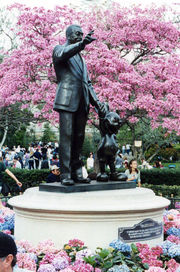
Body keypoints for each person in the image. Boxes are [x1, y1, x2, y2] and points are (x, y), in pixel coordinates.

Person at [52, 24, 105, 185]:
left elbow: (87, 83)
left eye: (82, 34)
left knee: (79, 138)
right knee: (66, 137)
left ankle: (77, 172)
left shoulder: (82, 60)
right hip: (66, 100)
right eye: (78, 34)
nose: (81, 36)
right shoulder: (59, 49)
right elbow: (62, 55)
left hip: (83, 102)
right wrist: (81, 45)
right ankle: (66, 174)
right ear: (68, 35)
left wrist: (97, 103)